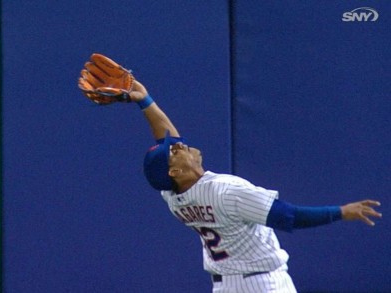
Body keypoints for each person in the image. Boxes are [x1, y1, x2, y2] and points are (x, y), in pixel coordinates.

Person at [125, 79, 382, 293]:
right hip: (262, 285)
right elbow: (288, 216)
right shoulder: (225, 191)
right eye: (174, 152)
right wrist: (340, 212)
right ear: (175, 170)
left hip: (227, 286)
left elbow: (169, 140)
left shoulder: (172, 195)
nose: (179, 145)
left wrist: (145, 101)